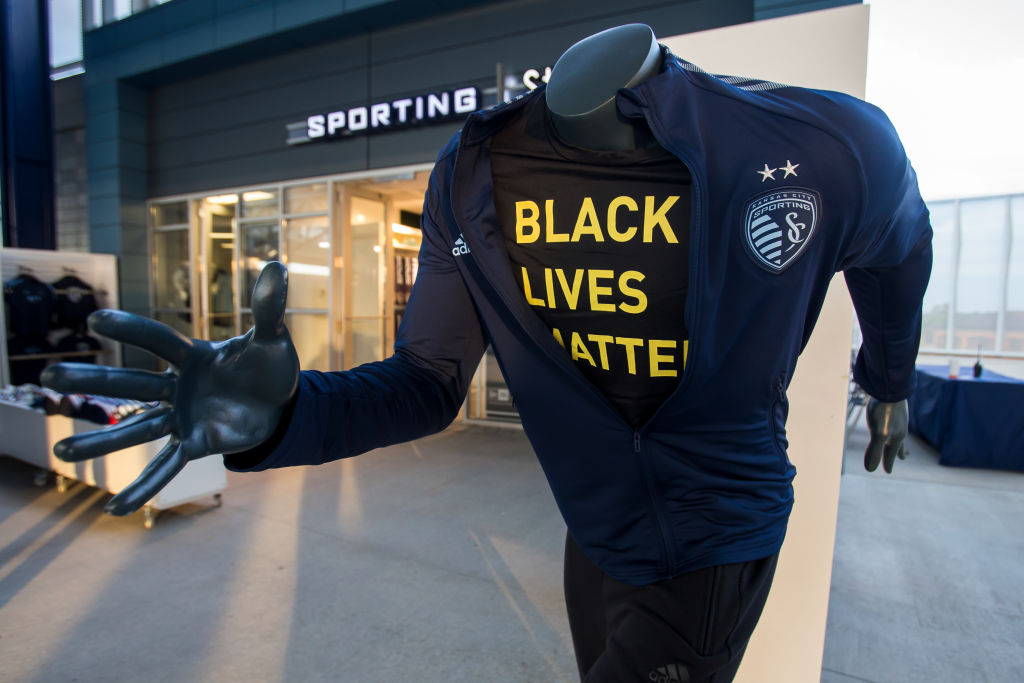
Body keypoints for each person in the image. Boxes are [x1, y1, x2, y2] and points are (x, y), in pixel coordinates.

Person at [42, 23, 930, 683]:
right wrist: (284, 418)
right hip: (595, 532)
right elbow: (427, 384)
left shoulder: (823, 148)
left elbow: (901, 251)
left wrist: (889, 377)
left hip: (719, 540)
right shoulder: (472, 179)